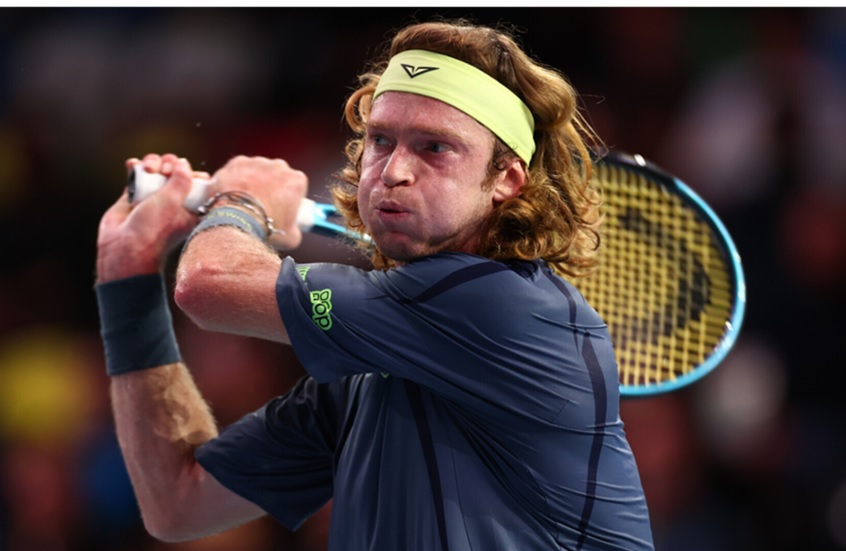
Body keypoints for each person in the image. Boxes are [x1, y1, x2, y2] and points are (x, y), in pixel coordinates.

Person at [95, 19, 654, 551]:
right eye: (381, 140)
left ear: (505, 180)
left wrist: (242, 203)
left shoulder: (506, 306)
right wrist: (128, 271)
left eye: (435, 147)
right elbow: (179, 502)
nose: (392, 171)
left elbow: (206, 283)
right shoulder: (372, 361)